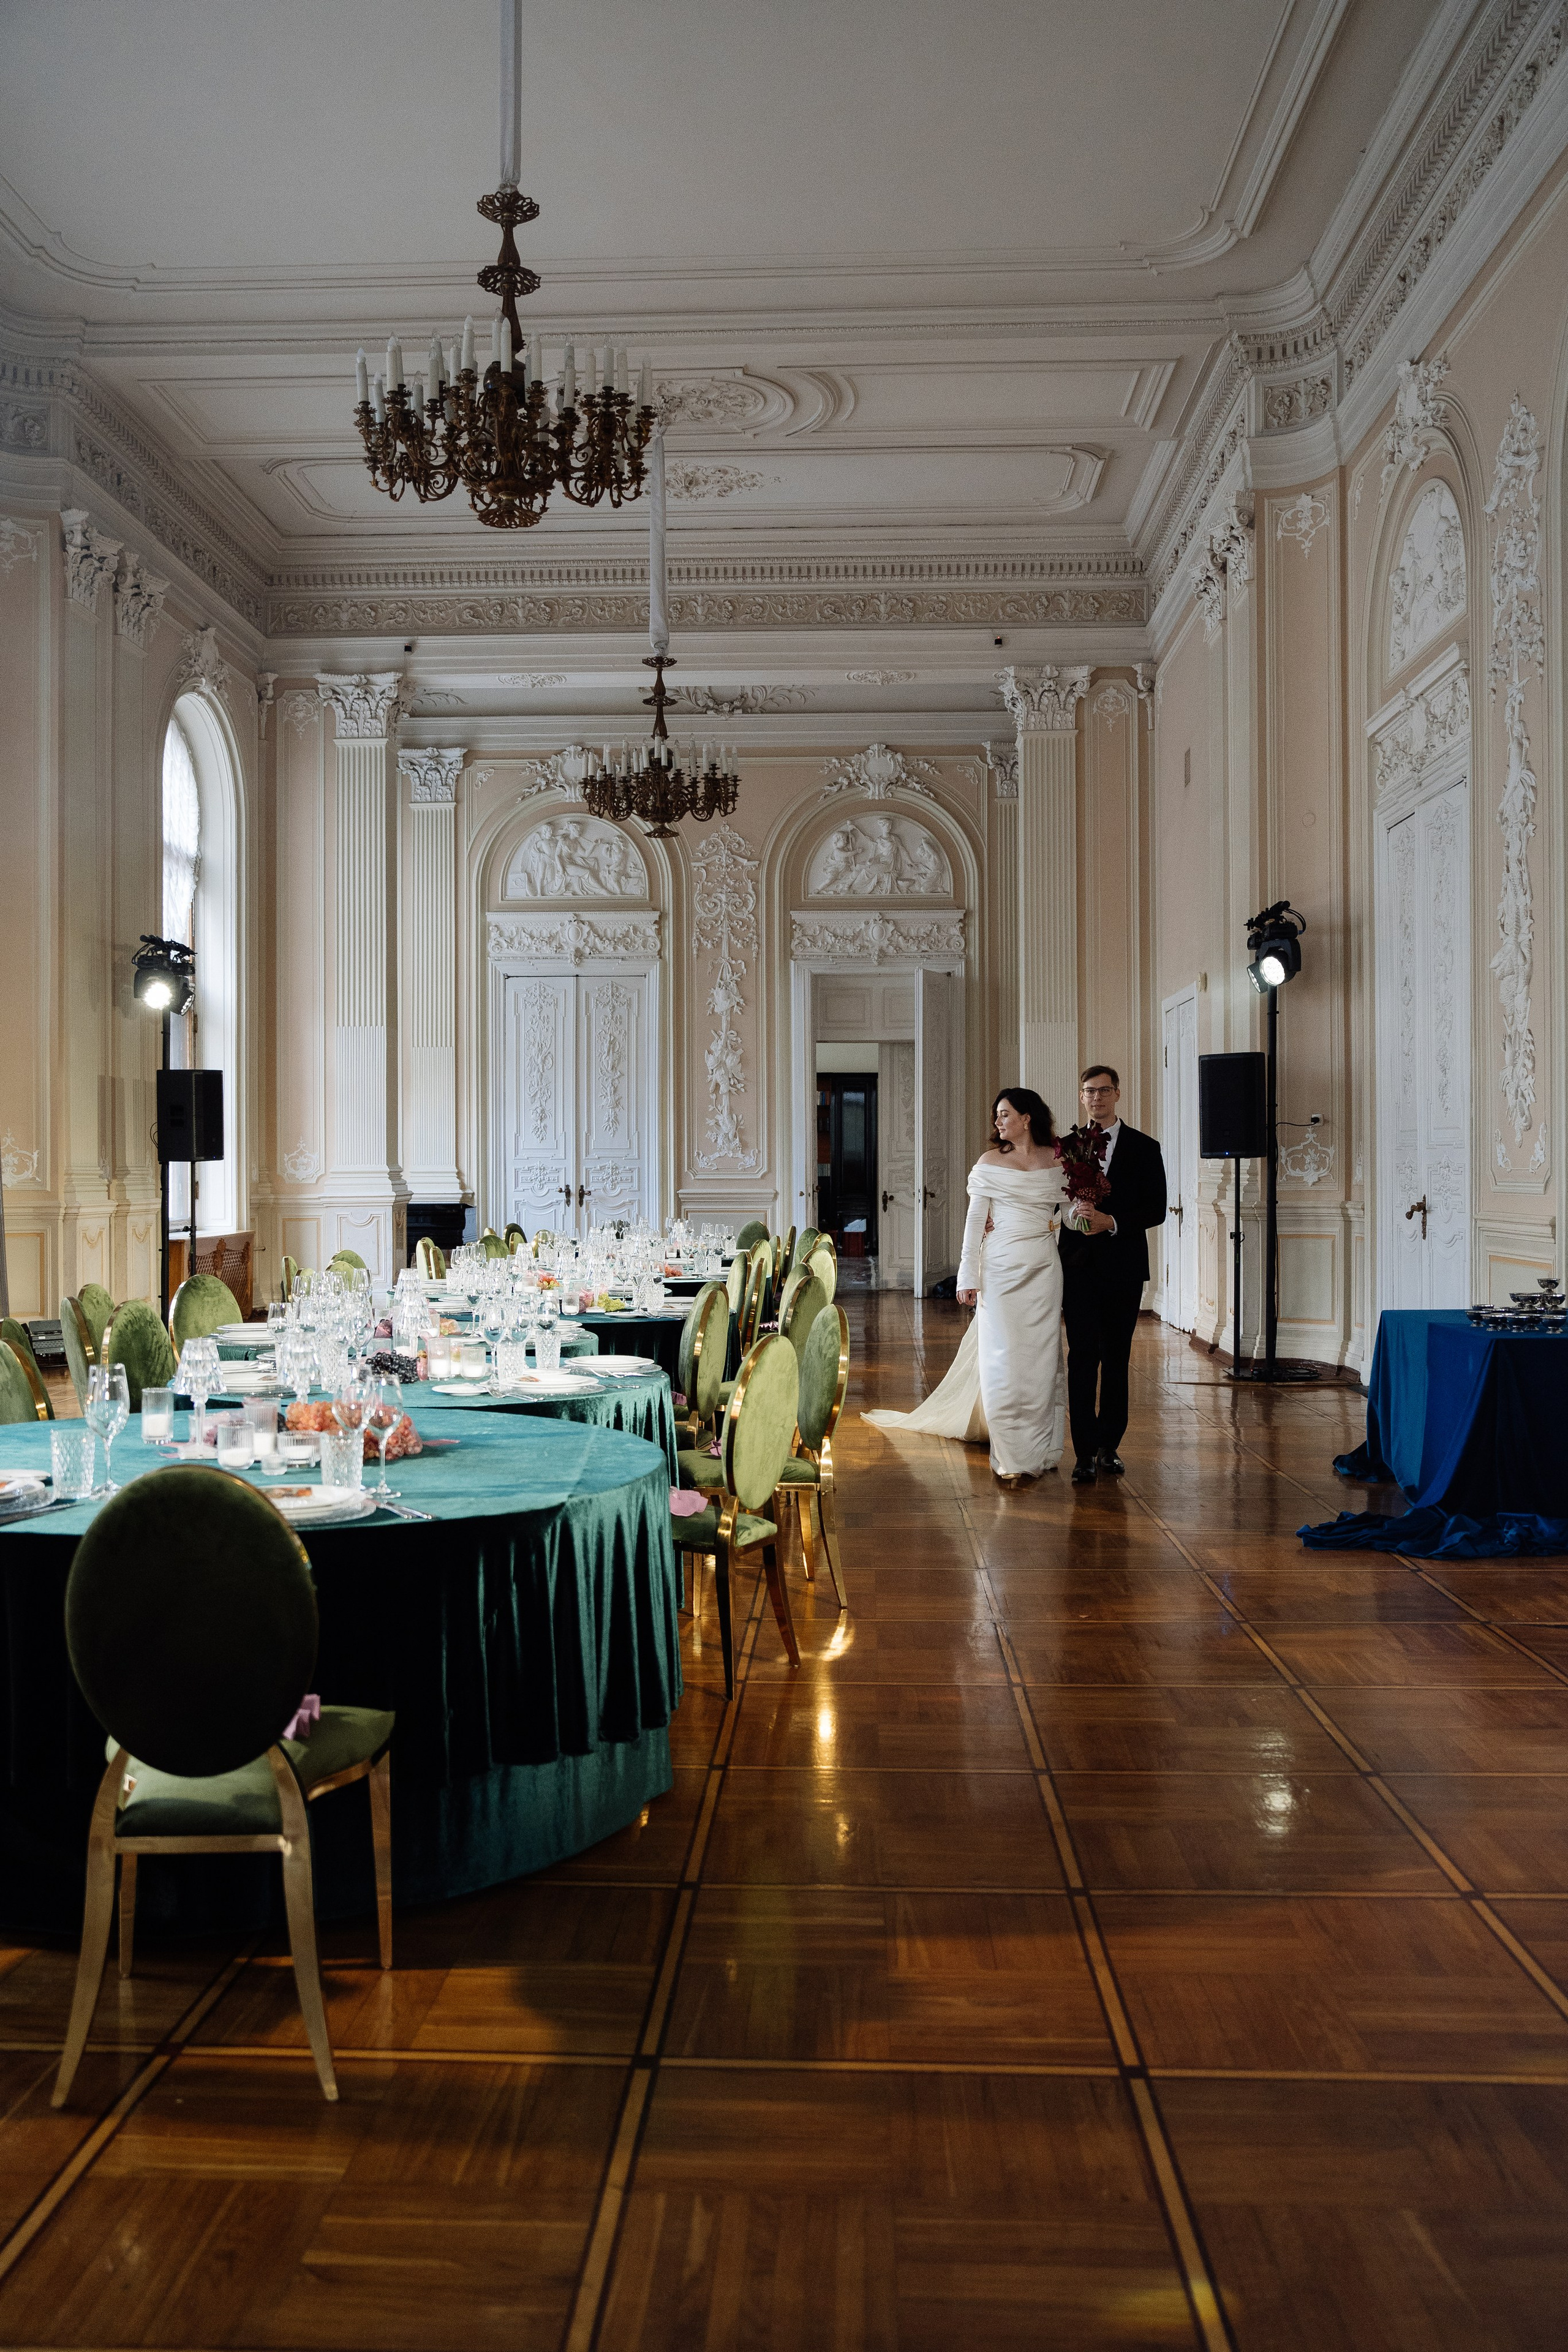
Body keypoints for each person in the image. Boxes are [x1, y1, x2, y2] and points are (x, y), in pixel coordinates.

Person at [862, 1087, 1066, 1487]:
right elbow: (975, 1223)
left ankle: (1044, 1446)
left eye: (1005, 1114)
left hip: (1044, 1266)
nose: (998, 1122)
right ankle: (1010, 1452)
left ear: (1027, 1118)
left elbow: (1070, 1210)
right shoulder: (990, 1163)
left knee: (1043, 1356)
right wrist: (968, 1275)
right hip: (1001, 1269)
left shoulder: (1060, 1161)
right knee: (1002, 1357)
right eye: (996, 1116)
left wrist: (1068, 1220)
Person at [1058, 1064, 1167, 1486]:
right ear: (1082, 1096)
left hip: (1123, 1268)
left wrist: (1113, 1221)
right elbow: (1052, 1203)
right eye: (1089, 1091)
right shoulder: (1066, 1147)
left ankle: (1109, 1447)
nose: (1097, 1098)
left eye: (1104, 1091)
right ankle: (1083, 1452)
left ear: (1117, 1094)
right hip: (1078, 1268)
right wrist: (1074, 1215)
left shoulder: (1144, 1147)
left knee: (1118, 1357)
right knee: (1082, 1356)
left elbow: (1156, 1208)